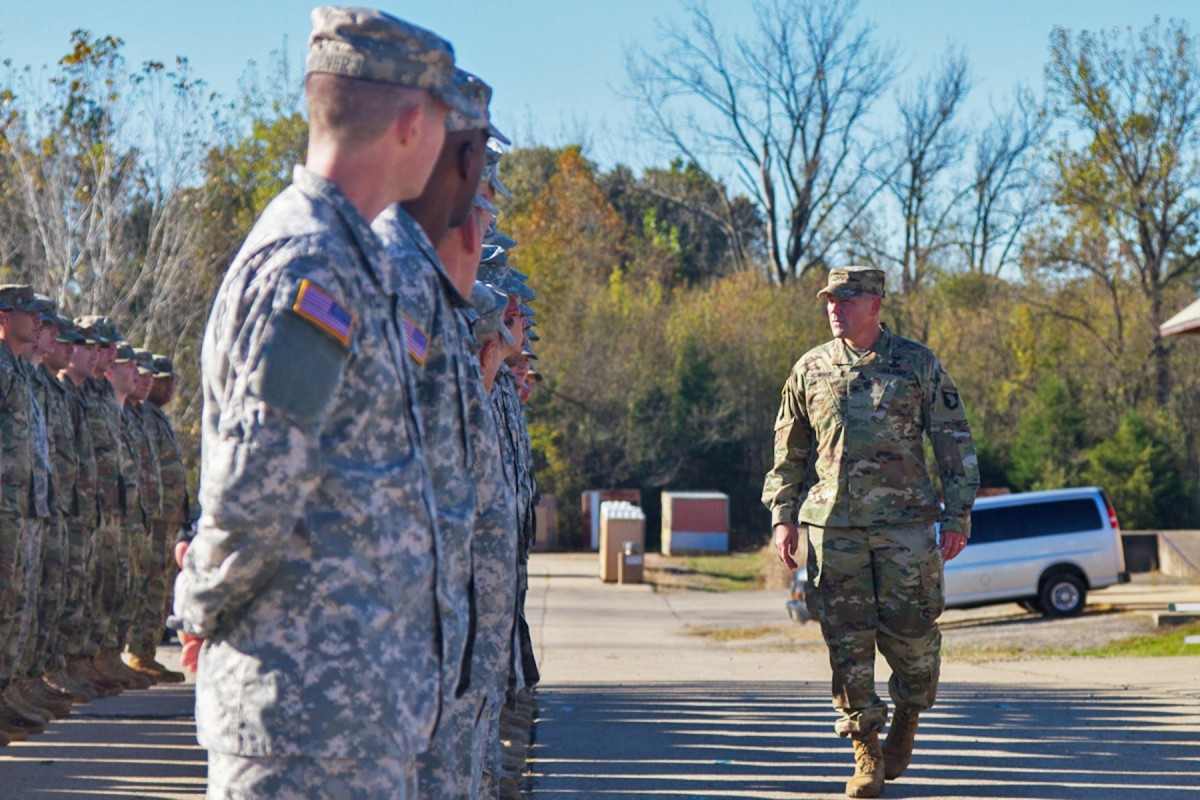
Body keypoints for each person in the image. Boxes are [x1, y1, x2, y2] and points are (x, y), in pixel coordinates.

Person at [171, 7, 475, 798]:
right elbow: (256, 485)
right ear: (412, 122)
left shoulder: (349, 256)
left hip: (349, 719)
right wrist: (199, 609)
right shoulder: (313, 265)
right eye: (446, 121)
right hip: (301, 725)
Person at [762, 266, 979, 798]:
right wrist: (783, 516)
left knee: (914, 636)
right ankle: (865, 749)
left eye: (847, 299)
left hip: (905, 527)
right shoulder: (810, 369)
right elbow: (788, 452)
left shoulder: (916, 364)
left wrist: (957, 516)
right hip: (834, 529)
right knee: (846, 641)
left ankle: (909, 709)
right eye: (830, 300)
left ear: (876, 304)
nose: (835, 307)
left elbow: (954, 442)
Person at [374, 67, 502, 798]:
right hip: (380, 645)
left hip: (427, 629)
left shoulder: (421, 284)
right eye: (474, 152)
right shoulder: (389, 275)